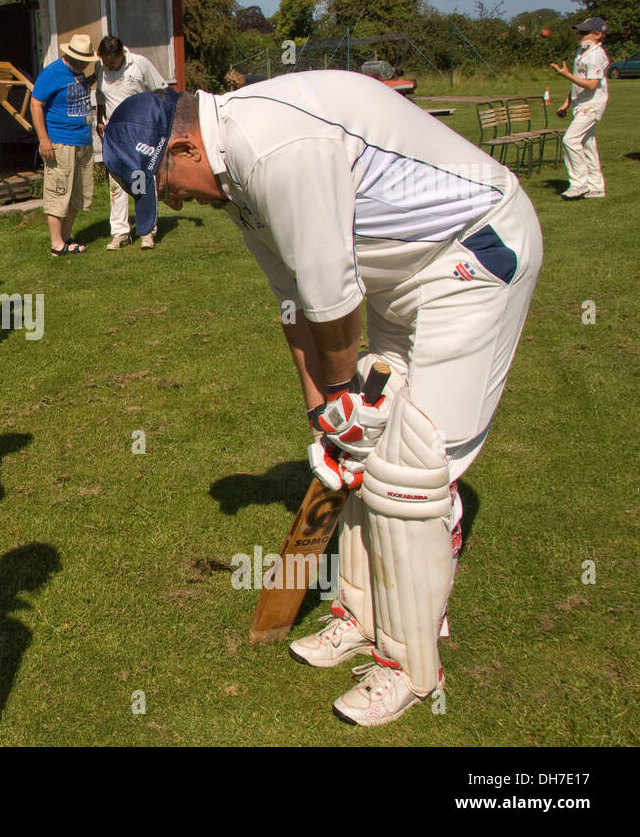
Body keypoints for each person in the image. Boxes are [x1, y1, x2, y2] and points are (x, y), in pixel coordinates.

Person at [104, 73, 542, 726]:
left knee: (410, 470)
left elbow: (335, 303)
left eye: (166, 190)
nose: (174, 206)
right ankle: (361, 615)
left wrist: (346, 399)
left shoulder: (276, 151)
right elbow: (295, 301)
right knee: (364, 457)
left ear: (186, 148)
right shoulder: (238, 183)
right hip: (401, 278)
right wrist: (325, 411)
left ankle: (410, 664)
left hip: (473, 257)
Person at [31, 34, 101, 257]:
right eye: (79, 60)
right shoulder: (53, 73)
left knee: (78, 193)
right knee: (59, 191)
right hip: (60, 142)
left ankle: (66, 237)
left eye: (85, 61)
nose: (82, 64)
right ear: (69, 54)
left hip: (83, 140)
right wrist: (44, 139)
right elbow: (36, 104)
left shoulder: (80, 73)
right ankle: (56, 244)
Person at [95, 36, 167, 250]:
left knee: (140, 179)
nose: (109, 66)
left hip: (139, 131)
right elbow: (100, 97)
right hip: (114, 134)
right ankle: (120, 232)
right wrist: (100, 119)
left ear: (122, 55)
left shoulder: (139, 64)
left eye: (112, 63)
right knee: (117, 182)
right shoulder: (101, 68)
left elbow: (160, 91)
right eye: (105, 62)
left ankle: (146, 231)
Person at [552, 16, 609, 199]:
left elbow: (591, 85)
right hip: (580, 103)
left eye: (585, 32)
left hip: (592, 104)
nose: (581, 34)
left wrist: (566, 75)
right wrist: (567, 102)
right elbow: (579, 82)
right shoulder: (582, 51)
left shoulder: (597, 55)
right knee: (587, 145)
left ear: (598, 34)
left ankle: (579, 184)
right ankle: (596, 187)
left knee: (570, 140)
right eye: (580, 31)